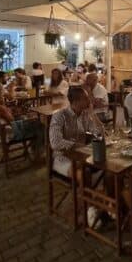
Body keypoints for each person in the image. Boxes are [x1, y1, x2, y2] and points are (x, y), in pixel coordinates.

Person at [49, 87, 104, 226]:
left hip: (82, 157)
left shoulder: (85, 114)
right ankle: (88, 210)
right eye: (86, 98)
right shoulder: (60, 116)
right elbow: (55, 142)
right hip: (62, 159)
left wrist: (93, 113)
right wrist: (77, 146)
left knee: (107, 170)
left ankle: (95, 206)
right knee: (84, 174)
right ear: (77, 101)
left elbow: (100, 133)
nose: (89, 100)